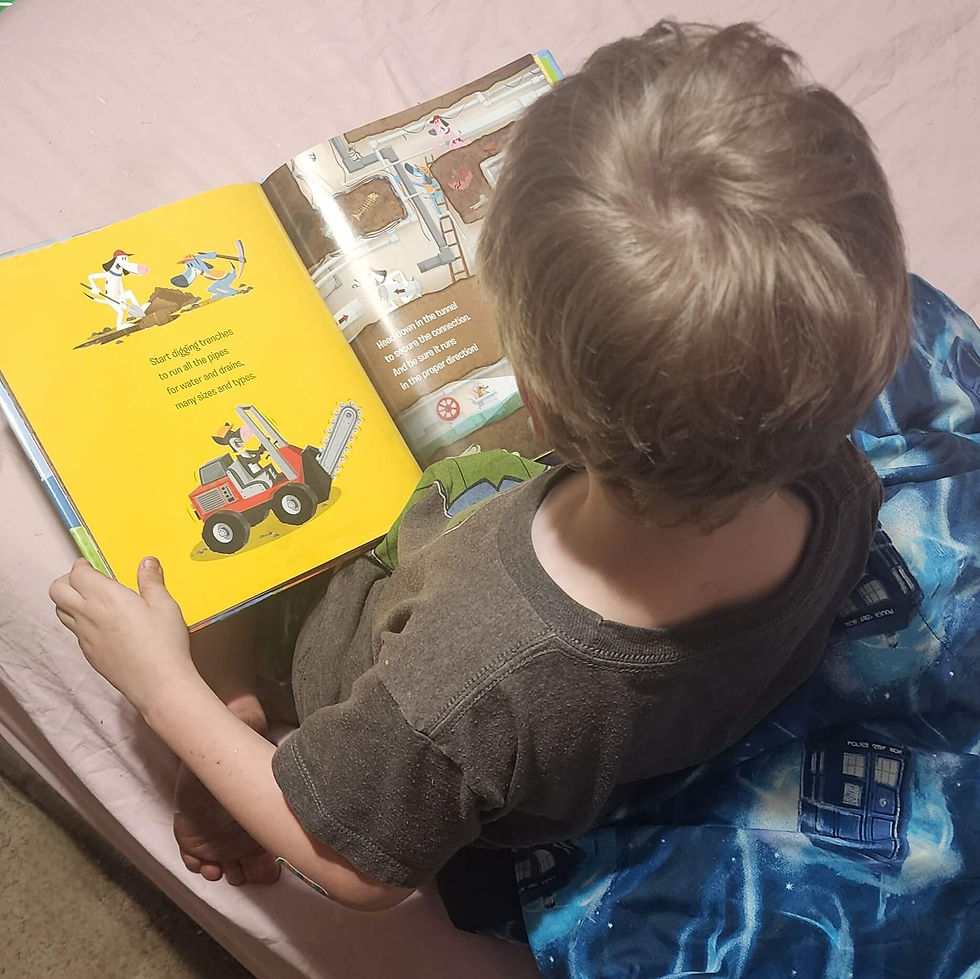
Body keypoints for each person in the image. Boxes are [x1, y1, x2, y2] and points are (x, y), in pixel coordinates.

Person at [49, 20, 910, 920]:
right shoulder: (835, 473)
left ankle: (237, 722)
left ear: (532, 400)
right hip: (593, 716)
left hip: (360, 677)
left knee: (187, 593)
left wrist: (163, 688)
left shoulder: (476, 672)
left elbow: (357, 870)